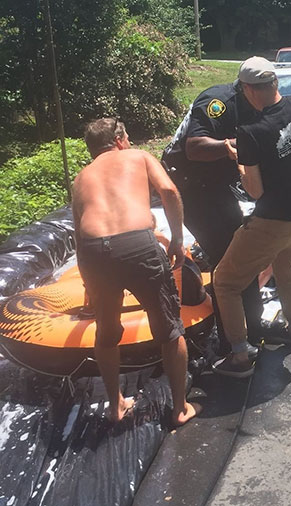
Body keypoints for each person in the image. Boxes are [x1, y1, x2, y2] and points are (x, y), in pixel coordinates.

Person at [72, 118, 199, 425]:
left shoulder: (80, 177)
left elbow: (78, 234)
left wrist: (89, 281)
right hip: (136, 246)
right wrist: (178, 240)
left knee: (106, 332)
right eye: (127, 137)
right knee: (169, 329)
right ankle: (180, 409)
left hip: (92, 251)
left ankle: (115, 406)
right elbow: (168, 190)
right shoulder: (138, 156)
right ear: (119, 140)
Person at [212, 57, 291, 377]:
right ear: (275, 82)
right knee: (284, 264)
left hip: (273, 222)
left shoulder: (250, 131)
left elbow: (255, 192)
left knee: (224, 281)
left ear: (248, 90)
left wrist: (239, 161)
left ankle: (239, 356)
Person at [161, 74, 278, 354]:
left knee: (242, 254)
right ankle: (232, 342)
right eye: (262, 95)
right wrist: (227, 146)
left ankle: (252, 328)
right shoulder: (218, 103)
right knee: (227, 261)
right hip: (191, 188)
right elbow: (194, 147)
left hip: (217, 185)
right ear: (248, 89)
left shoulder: (255, 104)